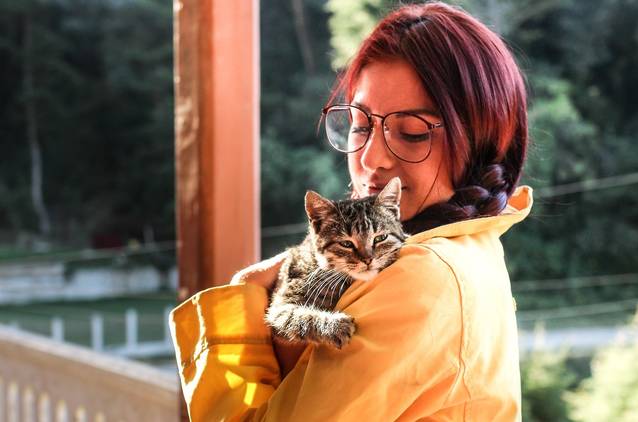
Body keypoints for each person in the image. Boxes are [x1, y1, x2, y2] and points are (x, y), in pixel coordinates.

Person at [170, 2, 533, 421]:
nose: (371, 158)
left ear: (481, 143)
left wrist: (243, 300)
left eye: (413, 133)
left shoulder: (424, 276)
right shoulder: (475, 245)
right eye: (360, 126)